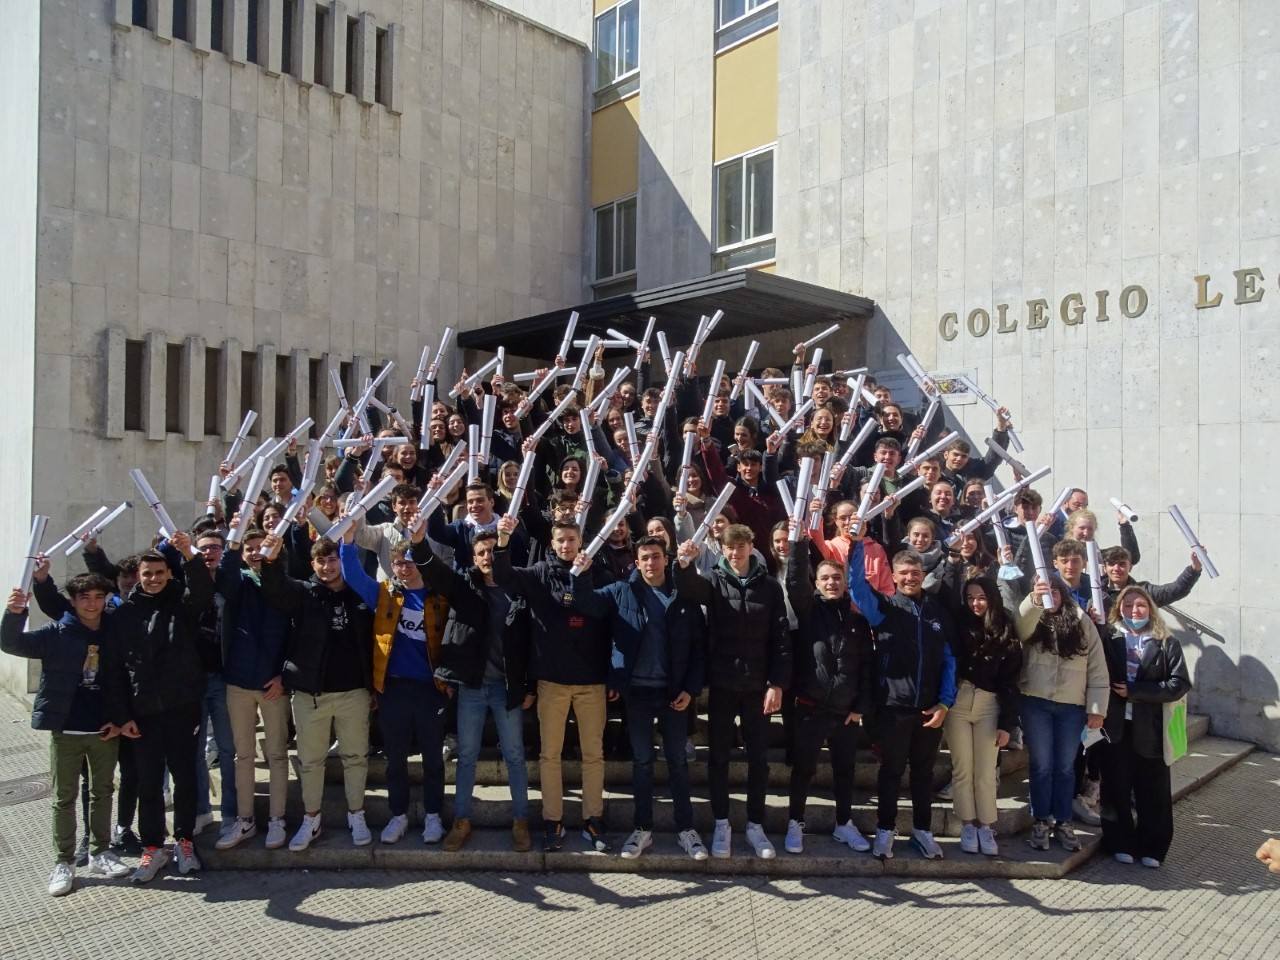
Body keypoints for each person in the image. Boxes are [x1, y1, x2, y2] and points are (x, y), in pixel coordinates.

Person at [571, 536, 708, 861]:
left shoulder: (683, 595)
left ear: (666, 558)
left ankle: (686, 830)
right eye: (644, 557)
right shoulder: (623, 591)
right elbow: (586, 604)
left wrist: (690, 689)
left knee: (676, 761)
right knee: (642, 762)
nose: (651, 563)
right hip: (638, 693)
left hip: (674, 693)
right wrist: (580, 574)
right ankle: (643, 827)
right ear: (637, 561)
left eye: (656, 557)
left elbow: (699, 649)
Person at [2, 573, 134, 895]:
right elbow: (11, 643)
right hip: (67, 729)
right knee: (64, 798)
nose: (92, 604)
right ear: (73, 602)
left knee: (102, 792)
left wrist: (120, 719)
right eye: (84, 597)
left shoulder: (113, 632)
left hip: (104, 729)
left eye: (98, 597)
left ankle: (100, 851)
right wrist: (14, 614)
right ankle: (63, 861)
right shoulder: (56, 633)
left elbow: (121, 678)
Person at [492, 514, 614, 853]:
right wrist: (502, 542)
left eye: (571, 540)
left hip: (591, 682)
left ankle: (593, 819)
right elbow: (503, 576)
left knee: (593, 755)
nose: (566, 546)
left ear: (580, 543)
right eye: (560, 541)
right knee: (550, 755)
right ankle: (553, 820)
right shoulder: (540, 574)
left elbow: (608, 620)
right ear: (552, 544)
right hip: (551, 681)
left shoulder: (599, 572)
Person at [675, 523, 790, 860]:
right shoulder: (713, 580)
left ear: (751, 547)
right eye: (730, 548)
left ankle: (756, 825)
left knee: (758, 759)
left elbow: (781, 639)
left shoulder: (769, 587)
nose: (736, 553)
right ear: (722, 550)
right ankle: (722, 823)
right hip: (723, 684)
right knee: (719, 758)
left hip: (757, 687)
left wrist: (777, 683)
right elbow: (688, 588)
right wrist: (682, 563)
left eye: (742, 547)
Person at [259, 535, 375, 852]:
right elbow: (275, 588)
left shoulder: (360, 594)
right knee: (310, 761)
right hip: (311, 693)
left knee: (355, 758)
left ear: (343, 561)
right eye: (320, 561)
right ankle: (311, 818)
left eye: (333, 559)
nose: (327, 567)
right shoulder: (304, 594)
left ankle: (357, 814)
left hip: (354, 692)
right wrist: (271, 559)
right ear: (312, 564)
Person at [338, 521, 451, 845]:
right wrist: (348, 542)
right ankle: (398, 815)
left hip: (431, 689)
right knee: (396, 758)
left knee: (432, 758)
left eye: (409, 562)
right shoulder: (386, 595)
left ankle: (433, 816)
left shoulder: (437, 596)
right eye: (398, 563)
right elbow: (354, 576)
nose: (403, 568)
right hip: (394, 688)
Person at [422, 528, 535, 853]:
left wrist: (528, 684)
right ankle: (461, 820)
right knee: (467, 756)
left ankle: (521, 820)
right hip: (473, 686)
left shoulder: (518, 588)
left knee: (514, 755)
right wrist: (418, 542)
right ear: (473, 558)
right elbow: (436, 573)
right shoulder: (466, 586)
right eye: (481, 553)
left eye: (491, 551)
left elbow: (530, 641)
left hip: (507, 687)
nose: (487, 557)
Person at [114, 533, 215, 883]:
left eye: (159, 572)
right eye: (147, 574)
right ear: (138, 576)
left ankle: (184, 841)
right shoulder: (124, 614)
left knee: (185, 776)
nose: (153, 578)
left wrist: (189, 553)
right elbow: (116, 669)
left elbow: (202, 590)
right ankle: (153, 847)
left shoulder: (183, 604)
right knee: (148, 782)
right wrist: (122, 715)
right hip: (142, 713)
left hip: (182, 707)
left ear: (169, 574)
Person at [846, 549, 956, 861]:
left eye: (915, 572)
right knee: (891, 772)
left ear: (923, 574)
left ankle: (923, 830)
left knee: (923, 773)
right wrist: (855, 546)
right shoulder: (885, 608)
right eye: (904, 573)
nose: (910, 578)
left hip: (930, 710)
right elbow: (856, 585)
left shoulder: (937, 612)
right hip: (893, 708)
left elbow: (949, 660)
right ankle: (885, 830)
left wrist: (945, 703)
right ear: (893, 577)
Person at [783, 531, 874, 855]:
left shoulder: (857, 622)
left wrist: (861, 705)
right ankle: (796, 822)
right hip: (810, 706)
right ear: (817, 582)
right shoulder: (808, 611)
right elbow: (794, 582)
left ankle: (843, 824)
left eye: (837, 577)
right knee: (804, 768)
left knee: (845, 771)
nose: (832, 583)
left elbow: (866, 666)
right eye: (825, 578)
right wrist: (797, 542)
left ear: (844, 582)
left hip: (846, 711)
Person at [1009, 574, 1109, 853]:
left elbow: (1098, 669)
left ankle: (1063, 820)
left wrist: (1097, 709)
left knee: (1065, 767)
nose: (1049, 594)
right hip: (1035, 702)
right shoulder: (1034, 617)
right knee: (1041, 766)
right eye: (1043, 589)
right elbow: (1019, 628)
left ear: (1062, 592)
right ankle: (1041, 819)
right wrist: (1033, 601)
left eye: (1053, 589)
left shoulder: (1080, 620)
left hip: (1072, 706)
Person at [1099, 586, 1191, 868]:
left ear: (1150, 608)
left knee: (1153, 789)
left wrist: (1136, 691)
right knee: (1116, 786)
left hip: (1150, 727)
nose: (1134, 611)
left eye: (1140, 605)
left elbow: (1179, 684)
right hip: (1115, 725)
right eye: (1128, 605)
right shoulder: (1109, 637)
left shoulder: (1166, 641)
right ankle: (1119, 841)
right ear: (1119, 609)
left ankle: (1154, 846)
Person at [214, 527, 291, 852]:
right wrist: (232, 546)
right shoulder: (238, 582)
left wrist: (284, 675)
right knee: (243, 755)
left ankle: (278, 819)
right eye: (250, 548)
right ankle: (245, 819)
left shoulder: (283, 584)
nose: (256, 552)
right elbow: (224, 577)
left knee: (276, 754)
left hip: (273, 683)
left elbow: (294, 631)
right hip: (239, 682)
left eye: (262, 547)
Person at [944, 577, 1022, 856]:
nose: (975, 603)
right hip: (959, 702)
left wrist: (1007, 724)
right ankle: (967, 823)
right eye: (970, 597)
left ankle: (986, 825)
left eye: (981, 597)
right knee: (962, 768)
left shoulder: (1005, 627)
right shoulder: (959, 623)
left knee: (986, 770)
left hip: (991, 704)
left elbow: (1011, 680)